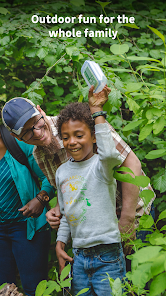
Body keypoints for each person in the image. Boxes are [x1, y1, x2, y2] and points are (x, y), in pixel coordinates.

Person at [1, 92, 155, 254]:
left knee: (139, 273)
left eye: (37, 123)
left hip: (134, 213)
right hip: (101, 231)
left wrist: (127, 219)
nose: (37, 133)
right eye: (27, 132)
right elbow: (67, 191)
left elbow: (131, 163)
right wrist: (58, 209)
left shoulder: (79, 124)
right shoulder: (39, 157)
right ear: (16, 136)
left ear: (41, 111)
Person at [55, 86, 126, 295]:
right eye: (66, 137)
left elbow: (110, 154)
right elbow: (67, 214)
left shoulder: (101, 165)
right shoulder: (61, 172)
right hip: (78, 257)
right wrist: (60, 242)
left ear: (94, 137)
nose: (72, 142)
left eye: (79, 135)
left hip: (108, 255)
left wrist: (97, 112)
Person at [0, 121, 55, 296]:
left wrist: (40, 198)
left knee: (34, 289)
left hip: (27, 227)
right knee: (4, 290)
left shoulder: (16, 142)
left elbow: (50, 175)